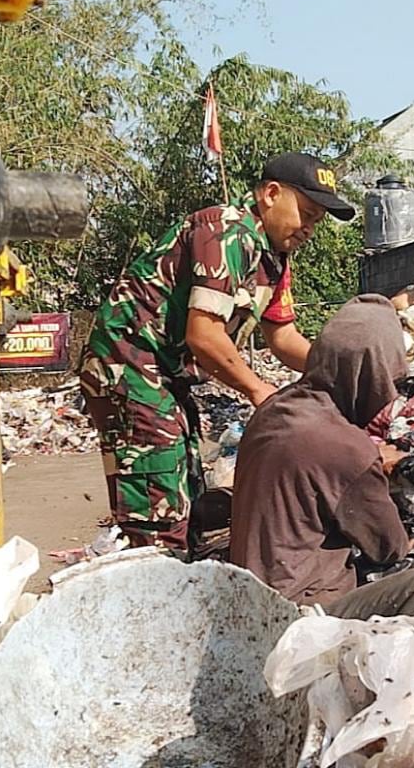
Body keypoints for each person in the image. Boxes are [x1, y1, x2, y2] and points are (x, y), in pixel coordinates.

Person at [80, 152, 355, 550]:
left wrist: (339, 372)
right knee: (157, 494)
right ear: (272, 194)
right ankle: (156, 580)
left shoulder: (275, 257)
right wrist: (258, 390)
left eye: (317, 221)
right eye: (307, 213)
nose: (309, 228)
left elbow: (283, 337)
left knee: (188, 483)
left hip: (166, 372)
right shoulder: (227, 232)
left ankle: (179, 566)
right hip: (128, 361)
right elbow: (204, 336)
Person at [230, 294, 414, 635]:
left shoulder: (274, 409)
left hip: (246, 596)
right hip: (297, 617)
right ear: (372, 375)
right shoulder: (346, 449)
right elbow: (388, 548)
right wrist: (373, 472)